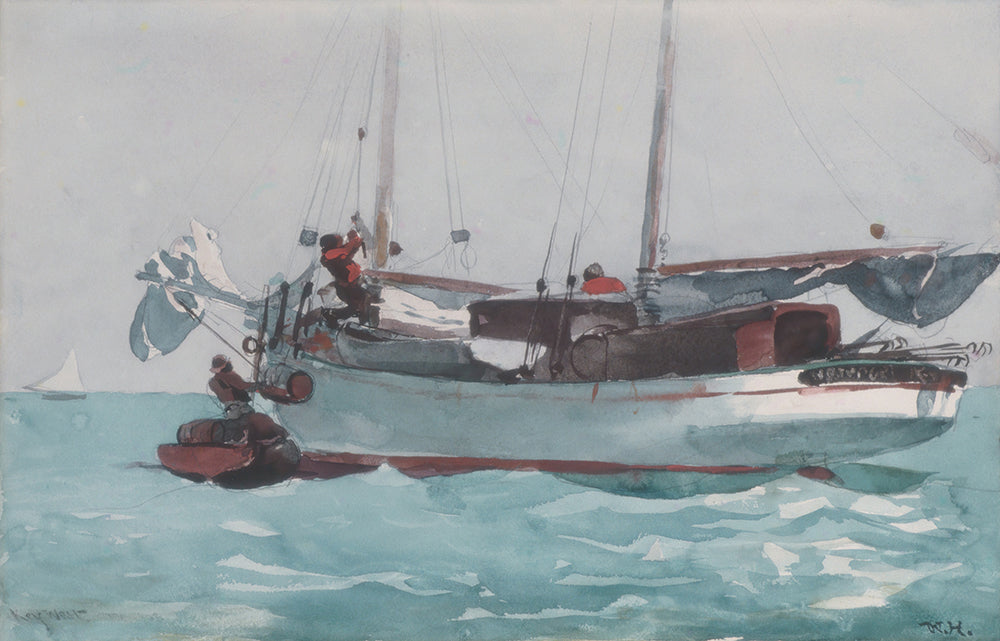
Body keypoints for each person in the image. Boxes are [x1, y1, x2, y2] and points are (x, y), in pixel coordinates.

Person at [319, 229, 371, 319]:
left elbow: (353, 247)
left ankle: (358, 315)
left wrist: (355, 238)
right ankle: (330, 315)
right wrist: (353, 240)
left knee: (362, 299)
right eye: (338, 240)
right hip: (345, 286)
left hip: (351, 282)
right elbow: (347, 250)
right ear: (331, 243)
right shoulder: (329, 254)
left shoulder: (337, 250)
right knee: (355, 305)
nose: (341, 241)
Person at [208, 354, 254, 420]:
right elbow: (242, 386)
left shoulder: (213, 381)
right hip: (240, 406)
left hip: (229, 407)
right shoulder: (229, 375)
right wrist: (257, 385)